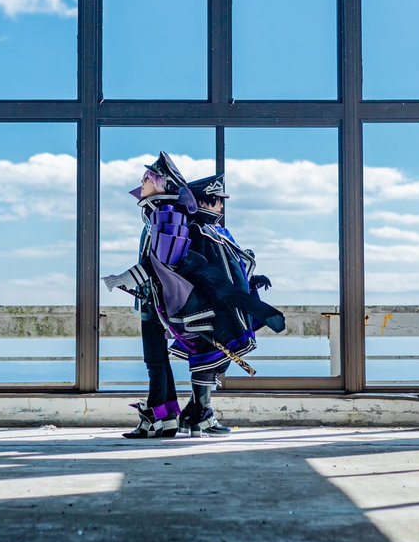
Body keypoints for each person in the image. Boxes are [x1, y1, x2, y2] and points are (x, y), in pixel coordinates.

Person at [174, 173, 285, 436]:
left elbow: (230, 267)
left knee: (218, 359)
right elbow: (202, 271)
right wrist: (239, 297)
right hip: (210, 308)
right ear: (201, 202)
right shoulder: (196, 231)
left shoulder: (214, 231)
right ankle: (201, 416)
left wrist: (252, 281)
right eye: (216, 200)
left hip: (228, 307)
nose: (221, 205)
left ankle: (192, 415)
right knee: (208, 359)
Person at [102, 152, 198, 439]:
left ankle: (155, 418)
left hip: (156, 302)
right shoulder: (160, 214)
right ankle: (166, 417)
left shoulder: (166, 215)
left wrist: (124, 278)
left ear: (161, 183)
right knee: (158, 361)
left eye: (147, 178)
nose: (142, 182)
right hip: (154, 299)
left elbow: (159, 263)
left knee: (154, 361)